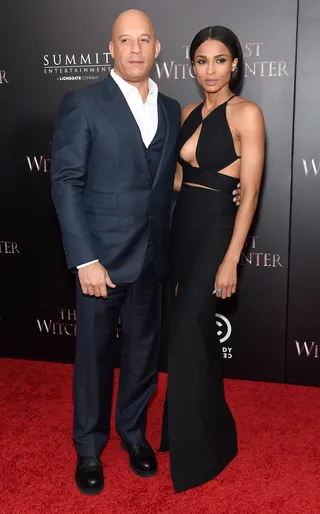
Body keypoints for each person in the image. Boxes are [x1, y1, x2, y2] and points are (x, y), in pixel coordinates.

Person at [51, 10, 241, 495]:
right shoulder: (83, 103)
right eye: (124, 41)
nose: (135, 49)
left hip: (156, 257)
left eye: (144, 41)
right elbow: (67, 182)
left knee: (140, 357)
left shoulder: (173, 106)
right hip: (101, 262)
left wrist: (228, 190)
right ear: (111, 48)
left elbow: (177, 174)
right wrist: (84, 258)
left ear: (157, 49)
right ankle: (89, 449)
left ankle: (133, 435)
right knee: (93, 358)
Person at [159, 26, 265, 493]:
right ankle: (199, 431)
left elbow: (252, 192)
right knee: (192, 337)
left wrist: (231, 260)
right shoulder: (186, 112)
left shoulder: (248, 114)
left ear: (235, 64)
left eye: (219, 60)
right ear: (192, 66)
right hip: (182, 228)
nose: (210, 70)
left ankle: (207, 449)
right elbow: (182, 181)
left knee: (187, 332)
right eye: (201, 61)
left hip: (218, 232)